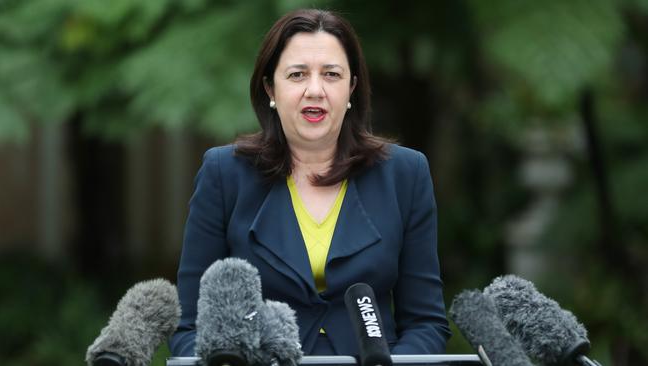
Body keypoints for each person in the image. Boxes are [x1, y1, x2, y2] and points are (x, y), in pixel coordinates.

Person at [169, 8, 451, 357]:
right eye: (298, 74)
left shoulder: (405, 174)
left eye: (331, 74)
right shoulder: (224, 173)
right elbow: (189, 325)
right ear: (270, 87)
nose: (315, 90)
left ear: (352, 88)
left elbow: (425, 323)